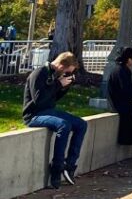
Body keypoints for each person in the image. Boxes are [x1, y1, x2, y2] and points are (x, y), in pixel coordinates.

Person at [23, 51, 88, 188]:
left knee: (81, 124)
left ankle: (69, 165)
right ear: (60, 65)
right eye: (66, 70)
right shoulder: (39, 73)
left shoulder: (54, 75)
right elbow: (39, 100)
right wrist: (58, 84)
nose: (65, 73)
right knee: (64, 125)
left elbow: (53, 98)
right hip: (34, 115)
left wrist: (64, 87)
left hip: (49, 111)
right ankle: (56, 168)